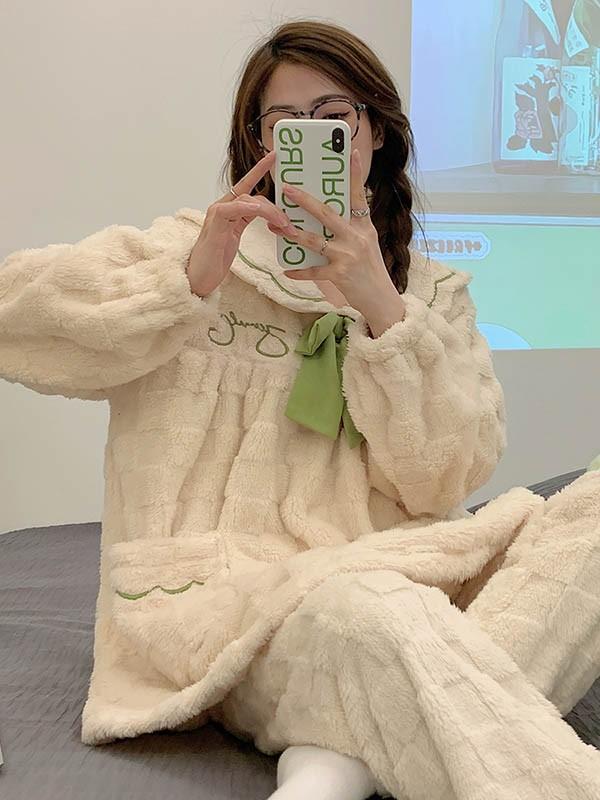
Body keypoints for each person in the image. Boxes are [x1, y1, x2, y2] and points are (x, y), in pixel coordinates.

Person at [7, 18, 599, 800]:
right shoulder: (193, 252)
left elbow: (444, 481)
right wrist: (185, 284)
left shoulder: (431, 295)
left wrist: (383, 312)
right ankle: (360, 742)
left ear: (375, 132)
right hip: (234, 608)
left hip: (397, 580)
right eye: (285, 124)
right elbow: (16, 320)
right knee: (369, 609)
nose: (312, 139)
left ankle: (338, 757)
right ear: (258, 144)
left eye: (333, 118)